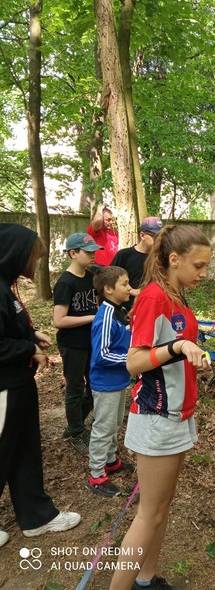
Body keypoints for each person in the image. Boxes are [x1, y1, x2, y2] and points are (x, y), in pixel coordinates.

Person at [109, 225, 211, 590]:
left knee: (160, 508)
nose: (202, 273)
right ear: (173, 259)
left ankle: (146, 580)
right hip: (156, 417)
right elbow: (134, 363)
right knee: (148, 514)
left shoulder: (177, 295)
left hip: (178, 414)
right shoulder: (154, 297)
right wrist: (179, 348)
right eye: (198, 265)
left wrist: (191, 350)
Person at [0, 223, 81, 546]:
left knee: (24, 450)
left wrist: (30, 336)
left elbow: (7, 328)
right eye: (32, 257)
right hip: (4, 387)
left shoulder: (6, 286)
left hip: (19, 383)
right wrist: (27, 349)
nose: (35, 264)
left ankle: (37, 517)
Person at [86, 266, 135, 498]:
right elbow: (102, 355)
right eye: (124, 284)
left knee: (114, 424)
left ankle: (110, 461)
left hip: (118, 381)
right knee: (103, 427)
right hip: (105, 383)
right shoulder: (105, 316)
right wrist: (132, 360)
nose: (129, 288)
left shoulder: (119, 310)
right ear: (108, 289)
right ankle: (96, 475)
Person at [53, 233, 102, 455]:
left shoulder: (91, 275)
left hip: (91, 341)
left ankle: (75, 425)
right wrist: (93, 317)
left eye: (94, 251)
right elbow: (59, 320)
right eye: (88, 251)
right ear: (73, 253)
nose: (93, 255)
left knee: (94, 388)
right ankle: (76, 432)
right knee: (75, 388)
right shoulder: (65, 282)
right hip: (72, 345)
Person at [111, 216, 164, 311]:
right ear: (142, 235)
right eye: (155, 236)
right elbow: (109, 279)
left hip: (153, 308)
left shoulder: (161, 257)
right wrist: (131, 291)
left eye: (161, 237)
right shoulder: (124, 255)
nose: (158, 241)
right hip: (126, 309)